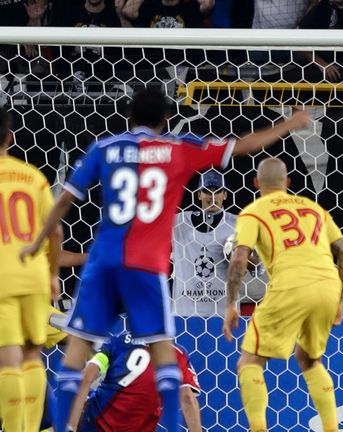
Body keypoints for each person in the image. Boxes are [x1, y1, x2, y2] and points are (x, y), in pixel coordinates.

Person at [19, 88, 311, 432]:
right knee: (164, 357)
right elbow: (243, 144)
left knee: (76, 358)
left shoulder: (105, 148)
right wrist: (289, 122)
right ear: (167, 119)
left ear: (128, 116)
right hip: (144, 266)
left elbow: (65, 201)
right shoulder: (177, 148)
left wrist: (38, 245)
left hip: (102, 263)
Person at [222, 157, 343, 432]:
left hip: (290, 284)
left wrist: (231, 304)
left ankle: (258, 428)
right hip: (328, 284)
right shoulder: (314, 208)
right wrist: (339, 301)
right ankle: (332, 427)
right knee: (309, 359)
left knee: (250, 361)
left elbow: (238, 259)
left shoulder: (254, 211)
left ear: (256, 183)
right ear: (288, 183)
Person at [0, 106, 62, 432]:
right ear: (10, 136)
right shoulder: (33, 176)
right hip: (34, 274)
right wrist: (52, 274)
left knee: (8, 362)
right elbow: (55, 231)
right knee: (32, 356)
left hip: (2, 279)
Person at [172, 170, 265, 317]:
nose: (212, 197)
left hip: (223, 314)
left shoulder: (238, 223)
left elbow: (258, 268)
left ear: (225, 195)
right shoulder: (179, 222)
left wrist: (247, 259)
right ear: (199, 194)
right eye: (207, 191)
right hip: (185, 313)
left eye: (217, 192)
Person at [67, 332, 202, 432]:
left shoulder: (116, 342)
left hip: (94, 423)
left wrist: (71, 427)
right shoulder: (176, 354)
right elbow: (187, 398)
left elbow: (85, 379)